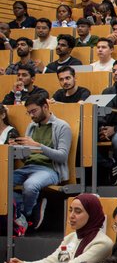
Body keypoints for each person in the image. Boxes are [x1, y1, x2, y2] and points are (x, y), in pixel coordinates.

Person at [4, 194, 112, 263]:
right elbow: (51, 260)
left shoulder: (103, 243)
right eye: (71, 210)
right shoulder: (70, 237)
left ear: (92, 215)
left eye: (78, 211)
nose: (71, 216)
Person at [9, 93, 69, 230]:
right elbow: (27, 157)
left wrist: (38, 146)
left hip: (50, 169)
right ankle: (30, 207)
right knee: (2, 182)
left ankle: (27, 215)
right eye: (29, 112)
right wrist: (17, 148)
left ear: (45, 106)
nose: (31, 115)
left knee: (30, 186)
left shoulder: (62, 126)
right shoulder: (32, 126)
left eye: (34, 111)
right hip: (29, 167)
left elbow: (62, 156)